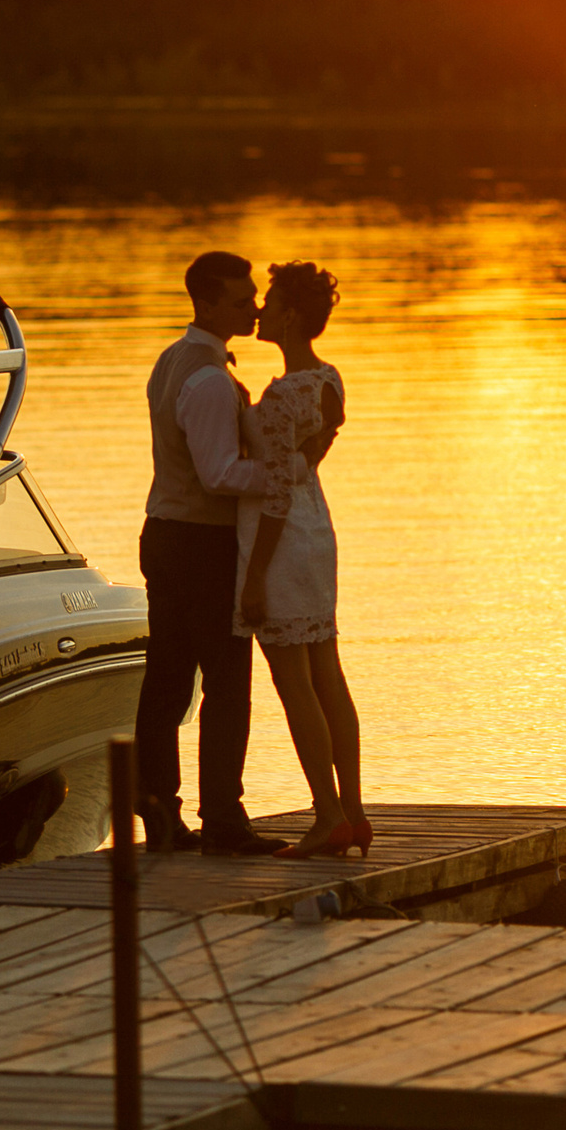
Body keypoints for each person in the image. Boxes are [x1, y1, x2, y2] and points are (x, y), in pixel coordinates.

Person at [135, 252, 290, 856]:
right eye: (239, 299)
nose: (251, 307)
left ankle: (162, 819)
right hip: (200, 543)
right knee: (225, 683)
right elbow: (219, 474)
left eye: (253, 297)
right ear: (206, 303)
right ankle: (223, 820)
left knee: (168, 683)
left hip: (165, 533)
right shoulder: (205, 379)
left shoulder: (172, 361)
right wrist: (282, 472)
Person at [235, 260, 367, 859]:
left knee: (295, 684)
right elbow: (320, 447)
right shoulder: (328, 379)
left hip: (284, 536)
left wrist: (256, 574)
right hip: (319, 529)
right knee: (328, 675)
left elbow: (279, 489)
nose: (260, 307)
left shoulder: (283, 394)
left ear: (289, 314)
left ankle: (328, 815)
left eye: (270, 298)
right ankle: (354, 811)